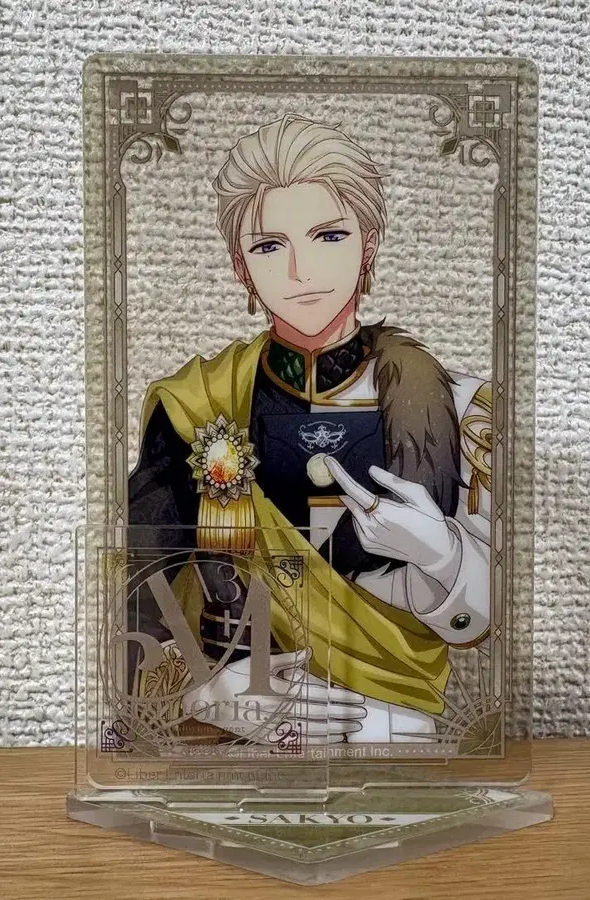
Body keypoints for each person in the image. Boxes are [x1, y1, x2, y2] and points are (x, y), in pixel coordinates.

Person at [128, 113, 493, 744]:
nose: (300, 271)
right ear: (240, 266)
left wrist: (441, 552)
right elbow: (136, 595)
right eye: (269, 246)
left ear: (367, 246)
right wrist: (206, 691)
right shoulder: (197, 405)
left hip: (397, 731)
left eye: (329, 235)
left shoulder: (463, 407)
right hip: (234, 742)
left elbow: (483, 619)